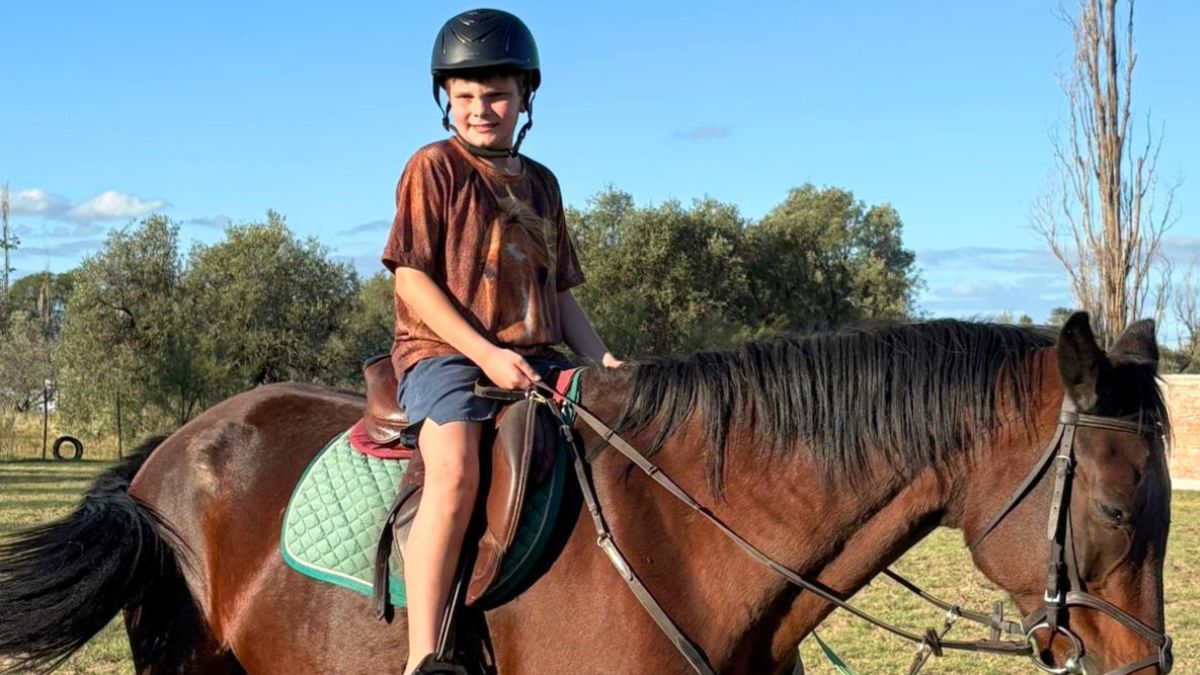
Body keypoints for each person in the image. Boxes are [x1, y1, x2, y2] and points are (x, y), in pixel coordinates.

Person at [380, 9, 621, 674]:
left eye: (495, 96)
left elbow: (560, 292)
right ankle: (424, 653)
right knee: (456, 467)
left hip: (539, 357)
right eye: (464, 97)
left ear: (524, 99)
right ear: (445, 102)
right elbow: (411, 279)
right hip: (445, 356)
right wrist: (485, 353)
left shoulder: (542, 183)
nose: (480, 109)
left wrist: (604, 359)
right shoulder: (433, 167)